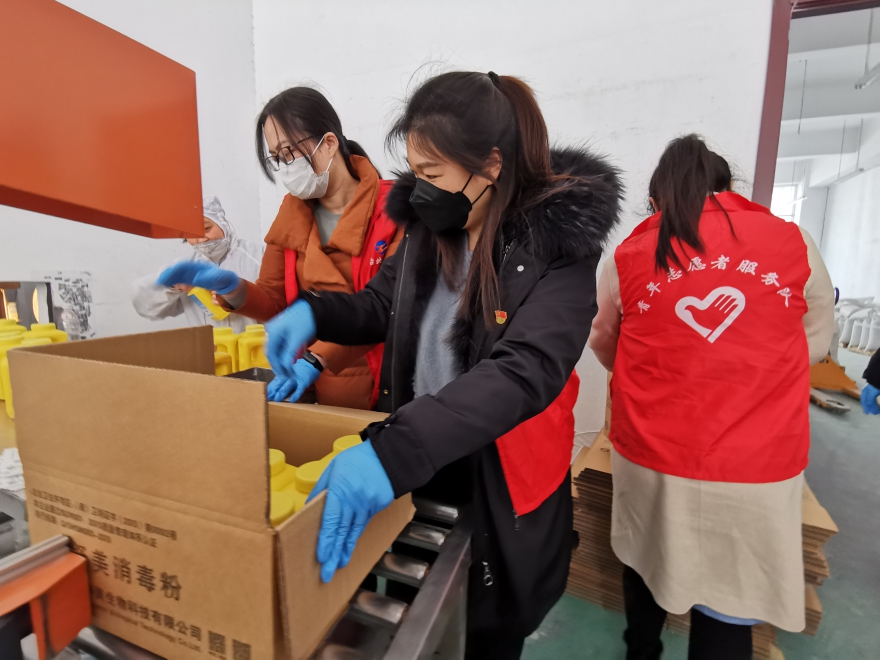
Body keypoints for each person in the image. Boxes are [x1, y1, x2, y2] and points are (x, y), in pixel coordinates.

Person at [263, 71, 622, 658]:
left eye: (432, 175)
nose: (420, 190)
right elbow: (380, 305)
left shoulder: (557, 251)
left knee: (483, 633)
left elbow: (523, 370)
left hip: (495, 479)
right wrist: (313, 313)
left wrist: (393, 452)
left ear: (491, 165)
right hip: (420, 458)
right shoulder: (430, 231)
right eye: (415, 172)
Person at [588, 135, 835, 660]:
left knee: (647, 558)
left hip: (654, 451)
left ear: (656, 199)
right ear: (728, 188)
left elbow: (606, 342)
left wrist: (662, 375)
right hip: (757, 463)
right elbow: (813, 341)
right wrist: (754, 371)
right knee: (731, 595)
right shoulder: (794, 242)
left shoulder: (630, 253)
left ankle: (641, 652)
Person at [158, 88, 402, 409]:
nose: (286, 166)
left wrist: (315, 358)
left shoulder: (394, 209)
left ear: (329, 143)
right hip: (323, 389)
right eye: (276, 158)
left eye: (288, 152)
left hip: (388, 383)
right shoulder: (292, 213)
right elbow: (275, 302)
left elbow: (387, 307)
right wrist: (233, 289)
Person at [132, 196, 262, 333]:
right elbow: (145, 307)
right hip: (211, 346)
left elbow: (274, 305)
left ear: (222, 222)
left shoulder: (259, 256)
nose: (201, 239)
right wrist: (172, 285)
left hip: (255, 345)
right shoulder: (188, 269)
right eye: (191, 233)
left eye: (206, 228)